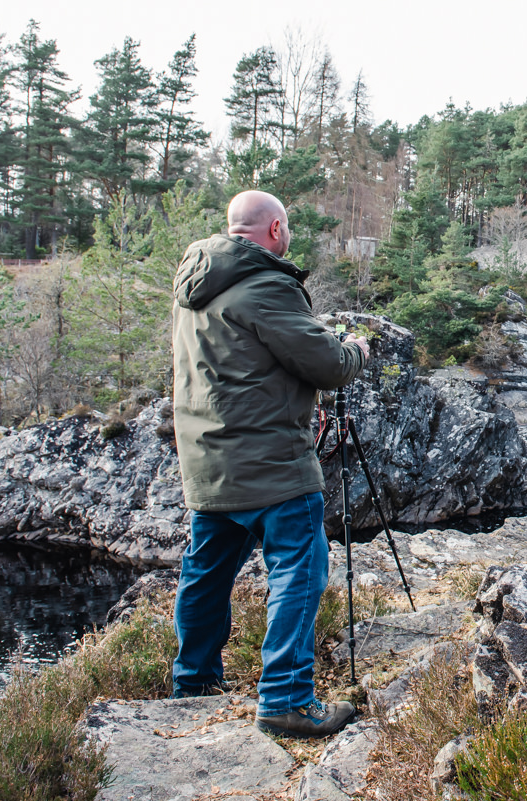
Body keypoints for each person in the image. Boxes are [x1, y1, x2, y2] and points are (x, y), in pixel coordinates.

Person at [170, 189, 370, 738]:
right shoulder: (266, 285)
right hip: (273, 464)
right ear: (276, 230)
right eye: (288, 230)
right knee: (300, 570)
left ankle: (192, 686)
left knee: (205, 576)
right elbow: (327, 365)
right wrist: (357, 350)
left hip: (208, 461)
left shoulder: (195, 285)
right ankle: (284, 699)